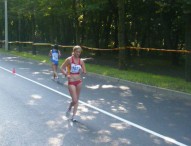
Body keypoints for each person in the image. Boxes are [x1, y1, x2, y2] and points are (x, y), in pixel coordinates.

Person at [60, 45, 86, 121]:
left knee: (77, 99)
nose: (78, 53)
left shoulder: (81, 61)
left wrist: (82, 71)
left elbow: (84, 72)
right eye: (77, 51)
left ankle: (73, 116)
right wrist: (66, 74)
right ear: (74, 51)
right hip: (71, 81)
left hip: (79, 81)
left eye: (79, 52)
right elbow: (62, 68)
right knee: (74, 100)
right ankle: (70, 107)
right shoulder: (69, 59)